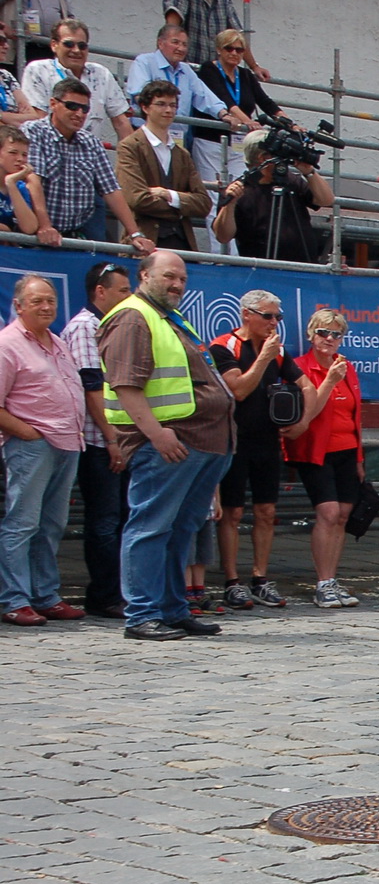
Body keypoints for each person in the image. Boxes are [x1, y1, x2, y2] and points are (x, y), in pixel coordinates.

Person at [99, 251, 234, 641]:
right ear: (144, 275)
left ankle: (173, 610)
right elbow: (125, 385)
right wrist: (157, 434)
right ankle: (141, 614)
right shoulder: (133, 317)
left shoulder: (168, 317)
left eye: (182, 279)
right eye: (168, 276)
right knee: (150, 528)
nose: (177, 284)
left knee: (179, 530)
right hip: (167, 445)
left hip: (201, 443)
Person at [0, 275, 86, 628]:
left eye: (50, 300)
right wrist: (27, 433)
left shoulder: (57, 341)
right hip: (31, 446)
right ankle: (14, 599)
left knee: (51, 525)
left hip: (67, 443)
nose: (46, 307)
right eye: (37, 301)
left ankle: (45, 595)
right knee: (22, 524)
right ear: (18, 305)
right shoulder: (7, 344)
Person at [206, 289, 298, 609]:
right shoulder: (224, 346)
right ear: (246, 314)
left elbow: (306, 386)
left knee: (266, 511)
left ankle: (260, 577)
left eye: (278, 317)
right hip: (234, 439)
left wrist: (301, 422)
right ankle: (232, 580)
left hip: (267, 440)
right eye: (268, 316)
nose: (274, 323)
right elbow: (239, 390)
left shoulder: (277, 350)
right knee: (232, 512)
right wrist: (263, 358)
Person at [65, 261, 132, 619]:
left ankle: (123, 591)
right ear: (100, 292)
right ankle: (104, 596)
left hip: (121, 438)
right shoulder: (84, 327)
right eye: (123, 290)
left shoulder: (113, 325)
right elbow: (92, 388)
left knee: (122, 517)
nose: (129, 296)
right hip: (99, 441)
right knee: (105, 521)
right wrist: (111, 439)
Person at [283, 307, 363, 608]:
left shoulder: (346, 366)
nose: (329, 339)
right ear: (311, 335)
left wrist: (359, 458)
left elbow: (355, 414)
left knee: (342, 515)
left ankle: (332, 579)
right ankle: (322, 582)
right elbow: (308, 415)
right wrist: (329, 381)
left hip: (347, 449)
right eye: (323, 333)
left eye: (336, 334)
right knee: (328, 513)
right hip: (316, 450)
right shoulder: (300, 367)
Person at [24, 79, 155, 250]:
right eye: (72, 106)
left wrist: (135, 234)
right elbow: (33, 181)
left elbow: (111, 190)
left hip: (79, 233)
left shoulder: (91, 142)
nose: (79, 113)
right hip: (36, 235)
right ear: (53, 104)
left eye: (85, 109)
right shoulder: (33, 131)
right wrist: (45, 226)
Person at [115, 79, 212, 250]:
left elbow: (204, 204)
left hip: (183, 243)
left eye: (173, 105)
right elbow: (138, 199)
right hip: (145, 243)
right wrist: (181, 207)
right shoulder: (129, 147)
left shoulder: (182, 154)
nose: (168, 110)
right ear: (145, 107)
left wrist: (169, 195)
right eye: (161, 104)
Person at [212, 129, 332, 263]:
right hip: (260, 268)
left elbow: (326, 200)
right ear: (263, 158)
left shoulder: (291, 181)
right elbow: (223, 237)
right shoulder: (240, 189)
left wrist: (309, 171)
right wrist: (230, 205)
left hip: (301, 265)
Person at [125, 24, 249, 145]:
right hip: (147, 135)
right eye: (175, 42)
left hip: (177, 139)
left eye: (184, 44)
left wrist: (223, 114)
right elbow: (140, 95)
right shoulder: (144, 62)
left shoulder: (186, 70)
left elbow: (204, 95)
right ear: (160, 43)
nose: (181, 48)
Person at [21, 20, 132, 147]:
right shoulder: (38, 70)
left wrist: (130, 157)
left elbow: (121, 123)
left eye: (82, 46)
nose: (76, 50)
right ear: (54, 45)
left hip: (89, 153)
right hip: (49, 151)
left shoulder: (102, 74)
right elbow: (39, 120)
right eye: (69, 44)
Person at [193, 28, 276, 193]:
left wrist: (289, 123)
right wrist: (249, 122)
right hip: (210, 140)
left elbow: (265, 102)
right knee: (213, 190)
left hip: (238, 142)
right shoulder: (208, 69)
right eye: (229, 48)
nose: (234, 53)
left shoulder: (245, 75)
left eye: (239, 50)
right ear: (219, 49)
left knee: (242, 189)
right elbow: (225, 100)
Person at [163, 0, 268, 74]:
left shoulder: (224, 1)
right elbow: (172, 28)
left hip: (214, 75)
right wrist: (166, 61)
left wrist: (254, 66)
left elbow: (238, 37)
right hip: (187, 71)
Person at [0, 125, 44, 236]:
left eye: (24, 155)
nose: (20, 159)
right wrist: (4, 229)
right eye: (13, 152)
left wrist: (11, 183)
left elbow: (29, 228)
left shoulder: (20, 187)